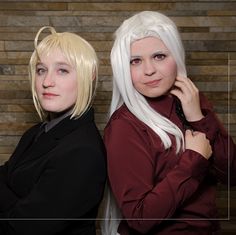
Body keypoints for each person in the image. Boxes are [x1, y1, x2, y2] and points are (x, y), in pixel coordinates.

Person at [102, 11, 236, 235]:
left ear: (177, 56)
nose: (149, 70)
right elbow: (140, 217)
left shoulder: (192, 101)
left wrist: (199, 119)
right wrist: (194, 160)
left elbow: (232, 173)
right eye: (136, 61)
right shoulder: (124, 126)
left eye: (159, 56)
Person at [0, 26, 107, 235]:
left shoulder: (82, 152)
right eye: (41, 70)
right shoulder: (36, 132)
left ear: (88, 76)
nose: (47, 82)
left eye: (62, 70)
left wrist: (16, 210)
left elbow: (21, 228)